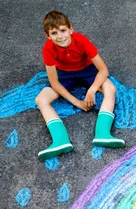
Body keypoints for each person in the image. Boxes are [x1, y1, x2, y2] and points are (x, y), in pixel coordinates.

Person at [35, 10, 125, 161]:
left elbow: (103, 70)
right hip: (64, 75)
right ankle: (60, 140)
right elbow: (54, 82)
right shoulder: (48, 49)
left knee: (110, 88)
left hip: (87, 71)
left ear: (71, 29)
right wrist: (76, 102)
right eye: (54, 33)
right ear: (47, 36)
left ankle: (102, 133)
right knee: (41, 99)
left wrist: (92, 90)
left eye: (63, 31)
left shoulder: (81, 41)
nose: (60, 36)